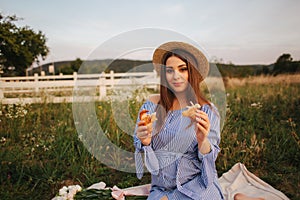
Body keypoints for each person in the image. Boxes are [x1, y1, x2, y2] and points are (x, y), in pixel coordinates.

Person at [133, 41, 224, 200]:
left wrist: (203, 141)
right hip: (161, 188)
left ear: (192, 72)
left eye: (183, 69)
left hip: (196, 187)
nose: (176, 76)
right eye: (170, 70)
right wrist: (145, 142)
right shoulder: (151, 107)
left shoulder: (207, 111)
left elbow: (210, 159)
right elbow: (141, 148)